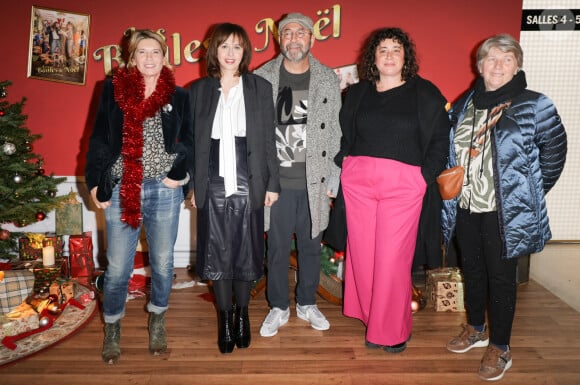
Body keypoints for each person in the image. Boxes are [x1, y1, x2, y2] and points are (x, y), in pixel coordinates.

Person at [441, 34, 567, 381]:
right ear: (479, 65)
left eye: (506, 59)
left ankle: (501, 346)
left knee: (501, 279)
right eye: (491, 59)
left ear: (517, 65)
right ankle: (476, 328)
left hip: (505, 213)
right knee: (473, 271)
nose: (498, 65)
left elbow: (554, 155)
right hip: (466, 206)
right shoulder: (465, 102)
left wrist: (527, 194)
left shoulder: (534, 105)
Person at [337, 27, 449, 353]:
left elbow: (441, 140)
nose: (389, 55)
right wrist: (345, 166)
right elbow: (346, 136)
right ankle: (372, 316)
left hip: (403, 185)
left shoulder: (424, 93)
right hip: (359, 182)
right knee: (363, 256)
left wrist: (423, 177)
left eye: (396, 50)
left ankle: (392, 331)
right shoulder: (357, 93)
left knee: (392, 260)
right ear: (373, 57)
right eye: (382, 49)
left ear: (406, 57)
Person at [85, 29, 194, 364]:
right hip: (121, 187)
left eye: (155, 52)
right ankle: (113, 327)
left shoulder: (179, 95)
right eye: (142, 52)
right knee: (117, 267)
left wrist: (180, 175)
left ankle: (157, 320)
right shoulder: (111, 92)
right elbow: (99, 139)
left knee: (163, 263)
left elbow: (190, 140)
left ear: (164, 57)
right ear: (131, 58)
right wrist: (94, 181)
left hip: (164, 189)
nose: (149, 58)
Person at [188, 23, 280, 354]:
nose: (230, 53)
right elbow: (193, 143)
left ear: (245, 53)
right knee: (217, 253)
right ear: (214, 52)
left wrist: (273, 183)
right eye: (224, 46)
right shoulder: (198, 90)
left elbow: (269, 140)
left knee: (245, 252)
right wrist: (195, 185)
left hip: (248, 173)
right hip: (211, 176)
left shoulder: (259, 88)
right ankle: (224, 319)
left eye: (237, 47)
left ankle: (243, 314)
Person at [254, 12, 342, 337]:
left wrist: (334, 175)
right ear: (280, 39)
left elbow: (335, 131)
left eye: (300, 33)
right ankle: (278, 307)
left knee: (310, 245)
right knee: (276, 248)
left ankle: (306, 303)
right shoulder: (261, 77)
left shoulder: (327, 79)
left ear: (311, 39)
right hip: (276, 184)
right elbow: (253, 134)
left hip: (313, 180)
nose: (294, 39)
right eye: (287, 33)